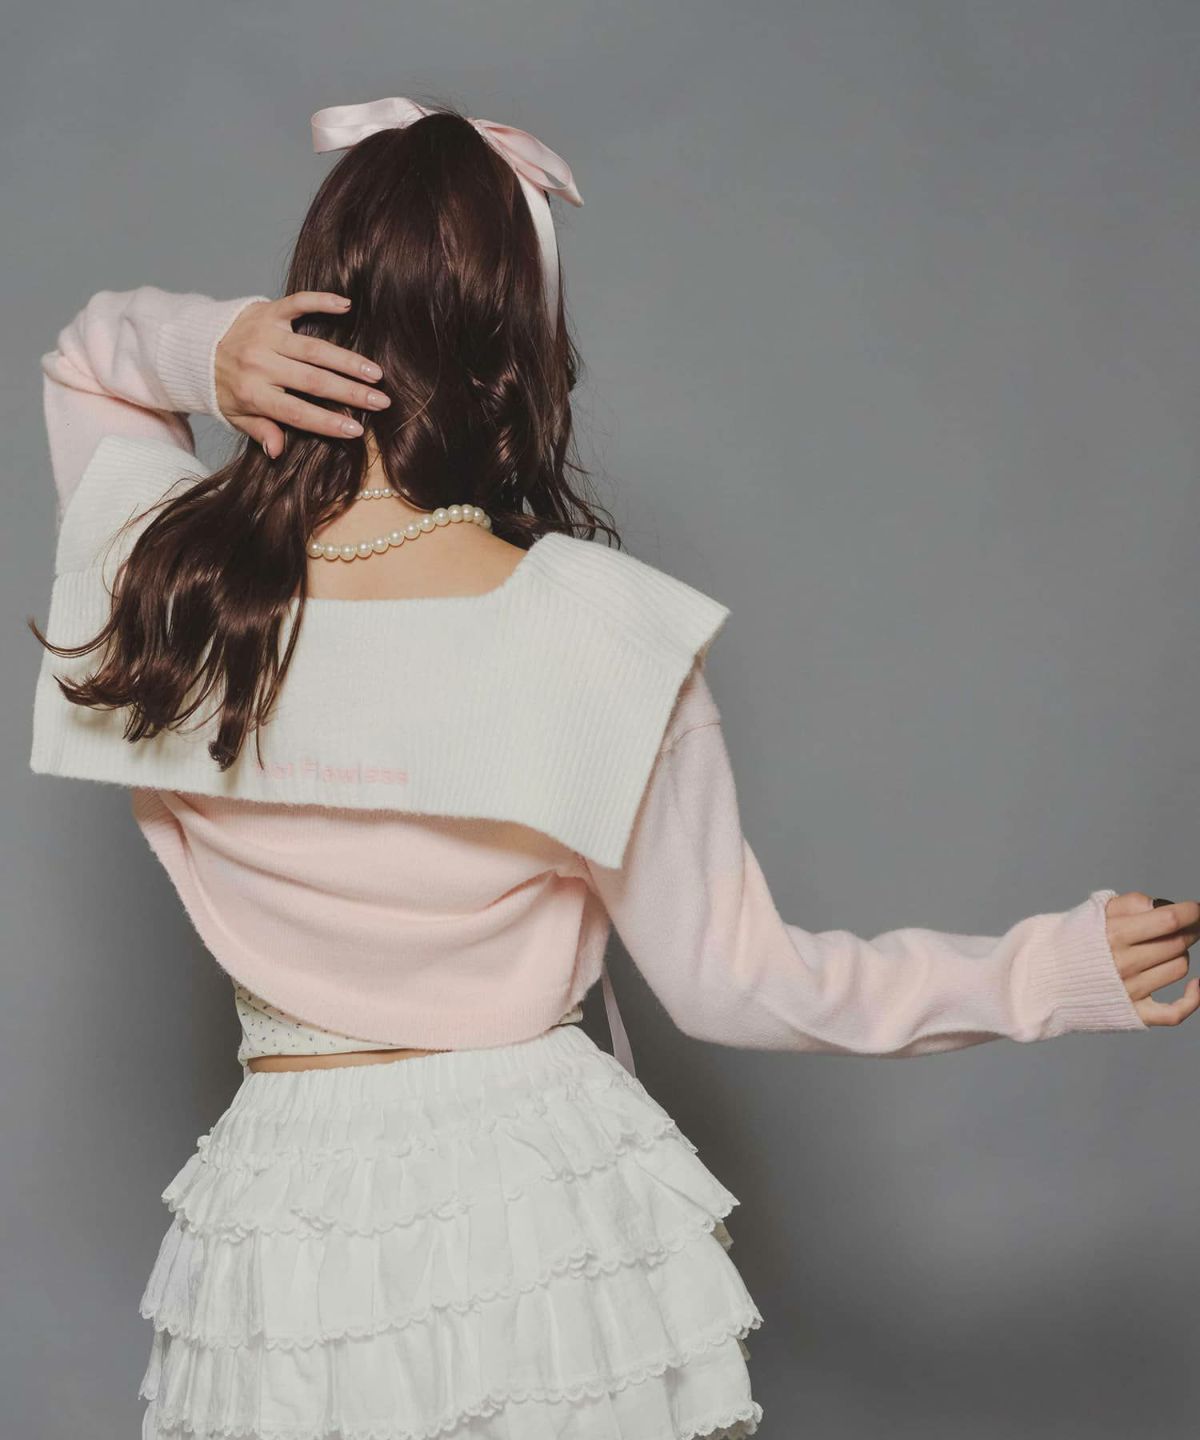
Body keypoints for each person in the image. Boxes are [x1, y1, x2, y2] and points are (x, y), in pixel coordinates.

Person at [27, 96, 1199, 1440]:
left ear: (315, 312)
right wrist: (1043, 974)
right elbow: (742, 983)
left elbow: (86, 361)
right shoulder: (600, 633)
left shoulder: (174, 586)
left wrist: (210, 346)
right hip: (541, 1207)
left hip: (285, 1209)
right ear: (519, 347)